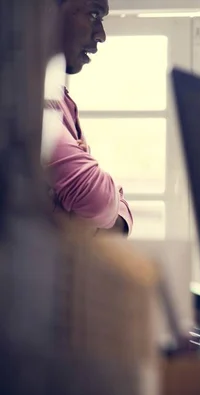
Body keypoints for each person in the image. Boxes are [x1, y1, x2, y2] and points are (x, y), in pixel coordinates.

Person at [45, 0, 133, 235]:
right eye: (94, 14)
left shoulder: (59, 99)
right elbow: (99, 201)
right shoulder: (19, 95)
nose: (102, 35)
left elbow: (116, 221)